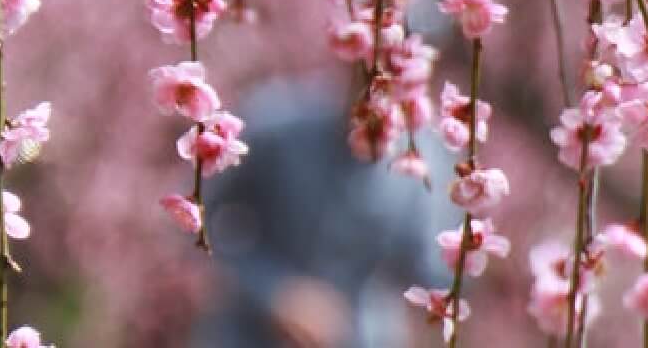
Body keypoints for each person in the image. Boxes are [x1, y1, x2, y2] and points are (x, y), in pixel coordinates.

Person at [191, 74, 453, 348]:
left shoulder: (425, 161)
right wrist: (275, 290)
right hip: (249, 333)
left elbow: (430, 272)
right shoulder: (279, 125)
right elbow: (202, 217)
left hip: (361, 336)